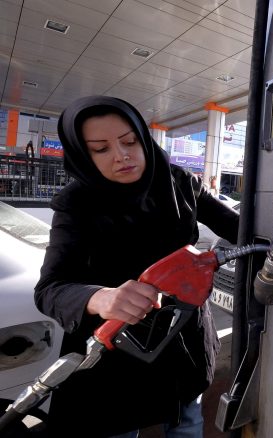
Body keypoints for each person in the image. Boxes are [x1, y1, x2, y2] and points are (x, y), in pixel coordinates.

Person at [34, 96, 240, 437]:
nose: (122, 155)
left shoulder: (178, 182)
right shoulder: (76, 205)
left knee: (187, 421)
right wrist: (102, 297)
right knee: (119, 425)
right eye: (101, 149)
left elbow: (239, 227)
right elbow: (50, 289)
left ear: (144, 139)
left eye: (130, 141)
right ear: (83, 155)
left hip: (183, 339)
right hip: (117, 351)